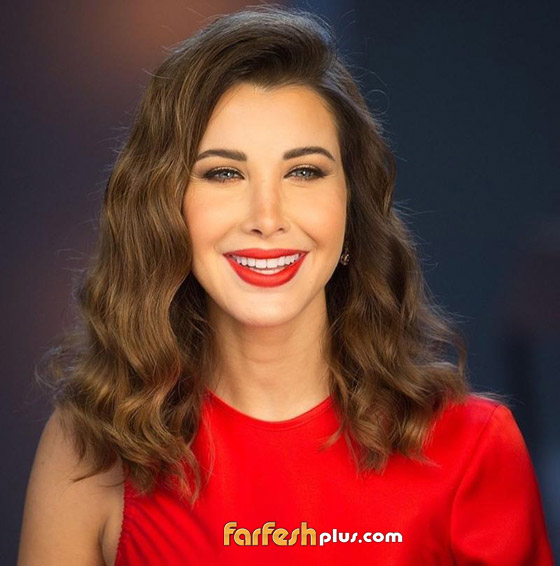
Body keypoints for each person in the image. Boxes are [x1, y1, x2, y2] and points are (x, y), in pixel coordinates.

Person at [18, 5, 554, 565]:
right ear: (165, 209)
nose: (267, 217)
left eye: (304, 171)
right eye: (224, 173)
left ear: (351, 209)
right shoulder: (91, 446)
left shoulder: (473, 447)